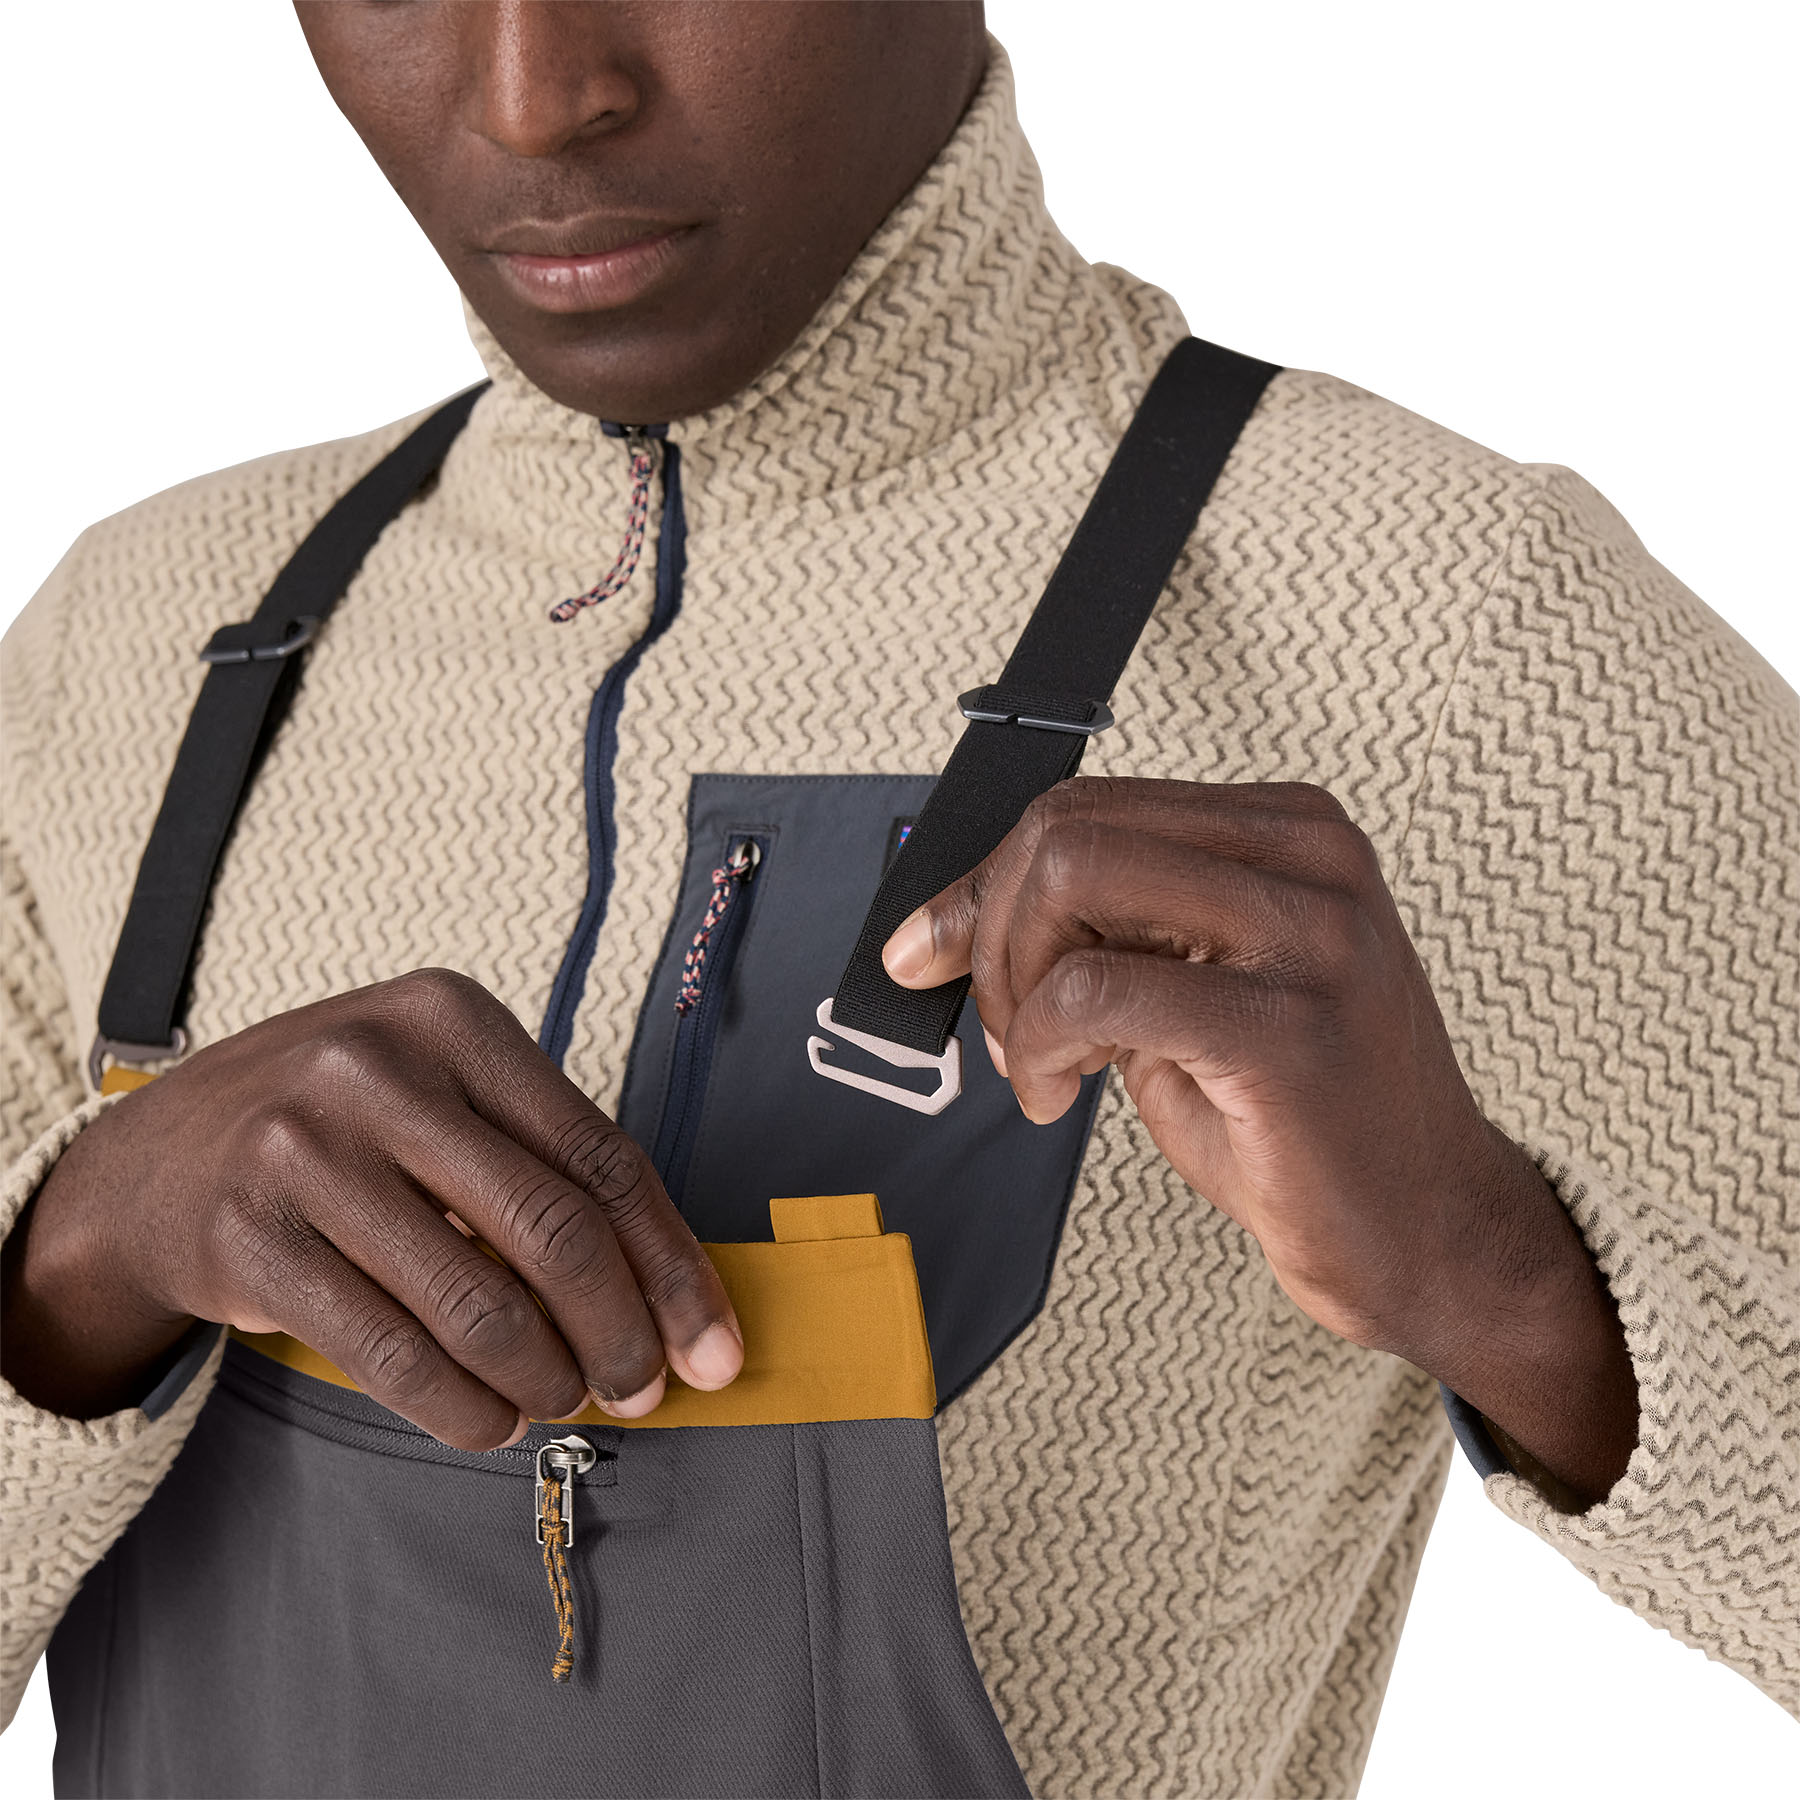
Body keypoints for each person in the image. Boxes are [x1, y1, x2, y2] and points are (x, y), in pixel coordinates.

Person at [2, 3, 1794, 1794]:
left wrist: (1501, 1282)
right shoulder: (131, 643)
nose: (539, 100)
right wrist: (72, 1269)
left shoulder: (1446, 623)